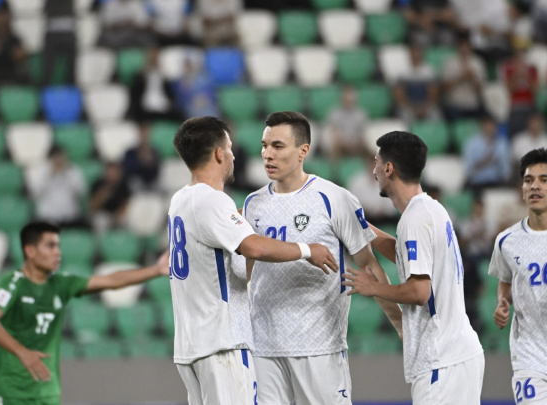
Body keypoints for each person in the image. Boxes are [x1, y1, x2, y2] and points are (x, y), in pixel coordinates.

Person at [168, 116, 338, 405]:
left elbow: (227, 263)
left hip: (191, 346)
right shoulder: (212, 200)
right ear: (219, 154)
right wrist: (307, 250)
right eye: (229, 148)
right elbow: (254, 248)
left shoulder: (180, 200)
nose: (233, 155)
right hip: (222, 343)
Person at [242, 111, 402, 405]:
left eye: (278, 146)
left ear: (303, 150)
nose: (267, 154)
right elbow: (247, 272)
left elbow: (368, 265)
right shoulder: (253, 203)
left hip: (319, 346)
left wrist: (400, 324)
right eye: (264, 146)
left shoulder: (334, 198)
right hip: (264, 347)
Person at [342, 131, 484, 404]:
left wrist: (374, 287)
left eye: (376, 163)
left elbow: (419, 292)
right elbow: (405, 256)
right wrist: (361, 226)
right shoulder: (431, 209)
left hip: (440, 360)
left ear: (389, 168)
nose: (373, 171)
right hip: (457, 354)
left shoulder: (414, 219)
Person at [0, 221, 170, 405]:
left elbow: (110, 280)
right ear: (30, 251)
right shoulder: (13, 282)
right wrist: (23, 353)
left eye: (58, 246)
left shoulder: (60, 284)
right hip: (13, 390)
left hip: (47, 391)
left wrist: (156, 270)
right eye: (50, 246)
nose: (57, 252)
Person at [489, 148, 547, 404]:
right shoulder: (506, 241)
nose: (535, 186)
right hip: (529, 356)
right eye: (528, 180)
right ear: (522, 189)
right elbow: (505, 281)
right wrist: (503, 302)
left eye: (544, 180)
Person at [29, 146, 87, 228]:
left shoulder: (73, 170)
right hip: (47, 216)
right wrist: (51, 174)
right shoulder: (40, 171)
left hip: (70, 216)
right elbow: (35, 193)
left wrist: (66, 174)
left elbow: (81, 192)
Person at [323, 86, 368, 160]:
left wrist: (356, 142)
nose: (349, 102)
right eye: (346, 100)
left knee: (368, 147)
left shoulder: (361, 114)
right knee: (334, 145)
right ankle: (334, 165)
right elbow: (333, 132)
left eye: (351, 100)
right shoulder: (334, 113)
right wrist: (344, 143)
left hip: (356, 144)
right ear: (342, 99)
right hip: (340, 144)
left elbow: (362, 133)